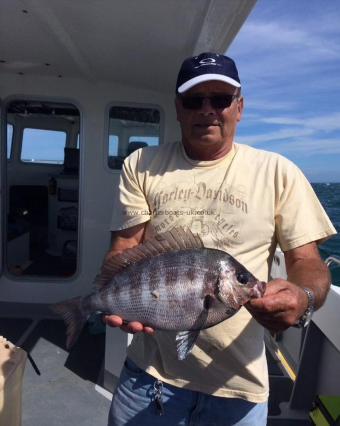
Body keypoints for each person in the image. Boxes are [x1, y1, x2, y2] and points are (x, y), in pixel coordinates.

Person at [102, 52, 336, 425]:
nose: (207, 110)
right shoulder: (142, 164)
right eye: (195, 100)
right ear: (179, 108)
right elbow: (125, 250)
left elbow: (307, 262)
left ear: (239, 107)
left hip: (238, 391)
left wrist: (303, 297)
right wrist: (112, 299)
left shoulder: (278, 172)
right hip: (149, 378)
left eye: (221, 99)